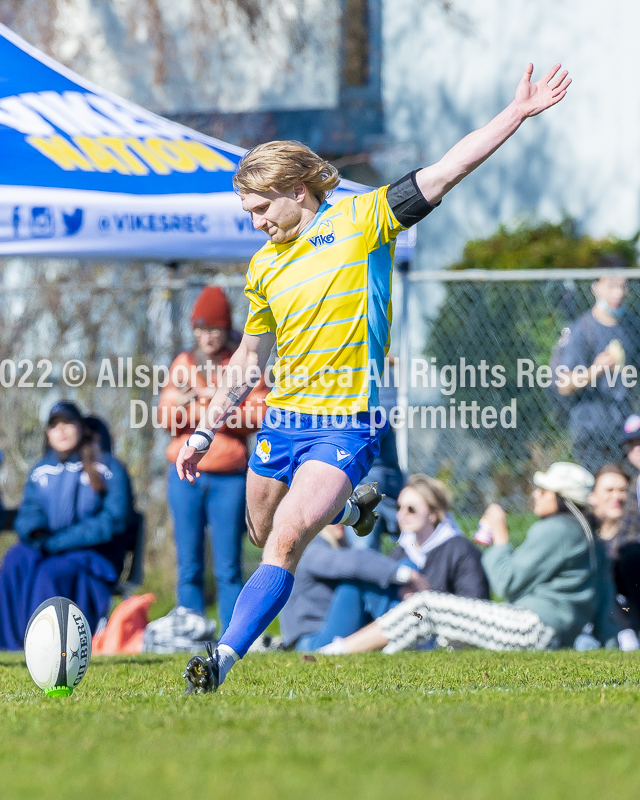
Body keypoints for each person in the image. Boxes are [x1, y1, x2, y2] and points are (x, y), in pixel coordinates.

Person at [178, 62, 572, 693]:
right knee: (261, 530)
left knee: (285, 541)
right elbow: (250, 359)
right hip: (285, 419)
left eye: (259, 208)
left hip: (346, 421)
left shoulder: (364, 221)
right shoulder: (262, 266)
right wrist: (203, 434)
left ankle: (221, 660)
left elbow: (449, 167)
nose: (254, 221)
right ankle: (362, 504)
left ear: (297, 190)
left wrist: (516, 114)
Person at [322, 463, 620, 655]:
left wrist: (501, 537)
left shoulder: (556, 530)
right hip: (555, 636)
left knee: (426, 606)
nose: (536, 494)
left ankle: (336, 651)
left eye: (544, 490)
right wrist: (615, 645)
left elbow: (507, 584)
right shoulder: (587, 536)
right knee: (428, 619)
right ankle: (362, 652)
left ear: (561, 497)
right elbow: (605, 606)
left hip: (532, 628)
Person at [157, 287, 268, 639]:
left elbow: (257, 414)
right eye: (201, 330)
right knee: (188, 563)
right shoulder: (184, 363)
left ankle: (233, 634)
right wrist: (196, 404)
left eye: (214, 330)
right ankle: (187, 629)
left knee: (228, 566)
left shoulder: (242, 362)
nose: (207, 338)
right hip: (184, 477)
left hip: (228, 478)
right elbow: (166, 417)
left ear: (227, 330)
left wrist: (209, 405)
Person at [0, 401, 134, 651]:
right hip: (49, 548)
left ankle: (48, 649)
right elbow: (29, 511)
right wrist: (37, 534)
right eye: (54, 425)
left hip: (93, 557)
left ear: (81, 427)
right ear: (47, 433)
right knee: (15, 559)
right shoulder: (41, 470)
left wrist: (59, 542)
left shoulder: (107, 467)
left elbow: (112, 521)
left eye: (67, 423)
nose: (61, 430)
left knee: (50, 573)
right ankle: (10, 647)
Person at [280, 523, 428, 651]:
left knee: (405, 564)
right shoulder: (310, 550)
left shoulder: (326, 548)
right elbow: (357, 563)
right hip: (312, 642)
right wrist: (408, 575)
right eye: (332, 516)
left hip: (326, 636)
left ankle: (410, 624)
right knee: (355, 583)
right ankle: (410, 626)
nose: (341, 521)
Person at [558, 265, 639, 472]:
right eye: (612, 286)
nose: (619, 293)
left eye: (623, 286)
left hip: (625, 429)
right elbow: (564, 384)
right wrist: (595, 370)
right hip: (591, 432)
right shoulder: (582, 329)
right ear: (595, 287)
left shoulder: (630, 327)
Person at [590, 462, 640, 636]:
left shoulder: (634, 543)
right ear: (592, 496)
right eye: (609, 490)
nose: (617, 496)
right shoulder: (584, 538)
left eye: (622, 490)